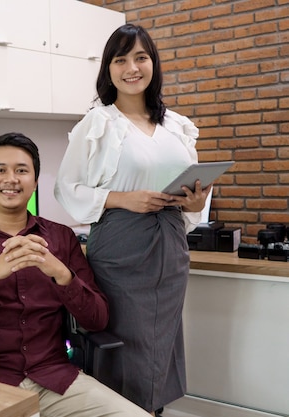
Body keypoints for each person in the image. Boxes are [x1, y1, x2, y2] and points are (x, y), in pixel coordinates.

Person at [0, 132, 149, 417]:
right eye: (0, 170)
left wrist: (62, 274)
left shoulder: (61, 238)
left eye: (22, 171)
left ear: (35, 182)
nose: (11, 179)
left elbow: (97, 319)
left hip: (55, 379)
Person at [54, 24, 209, 415]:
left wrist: (194, 205)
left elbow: (193, 193)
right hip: (121, 244)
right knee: (123, 340)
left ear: (152, 63)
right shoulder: (98, 123)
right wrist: (124, 199)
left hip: (171, 241)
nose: (131, 68)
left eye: (140, 57)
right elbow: (65, 187)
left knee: (162, 339)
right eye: (120, 59)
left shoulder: (175, 125)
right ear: (108, 69)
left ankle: (152, 411)